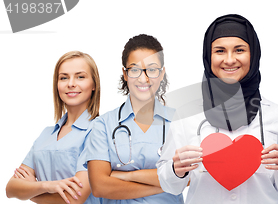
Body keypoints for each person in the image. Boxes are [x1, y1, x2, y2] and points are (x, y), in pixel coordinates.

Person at [156, 14, 278, 204]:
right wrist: (176, 170)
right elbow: (169, 186)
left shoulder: (277, 116)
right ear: (208, 57)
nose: (229, 59)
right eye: (220, 51)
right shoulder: (186, 115)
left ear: (254, 54)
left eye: (239, 50)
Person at [85, 34, 183, 204]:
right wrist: (167, 183)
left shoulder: (178, 121)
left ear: (162, 74)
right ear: (125, 73)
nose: (143, 78)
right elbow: (100, 186)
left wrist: (127, 175)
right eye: (135, 69)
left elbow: (188, 178)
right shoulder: (103, 125)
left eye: (152, 70)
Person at [6, 51, 101, 204]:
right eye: (64, 77)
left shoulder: (99, 131)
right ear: (57, 85)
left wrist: (31, 192)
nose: (71, 83)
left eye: (80, 77)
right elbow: (10, 189)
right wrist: (47, 185)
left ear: (94, 85)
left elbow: (75, 197)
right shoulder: (46, 134)